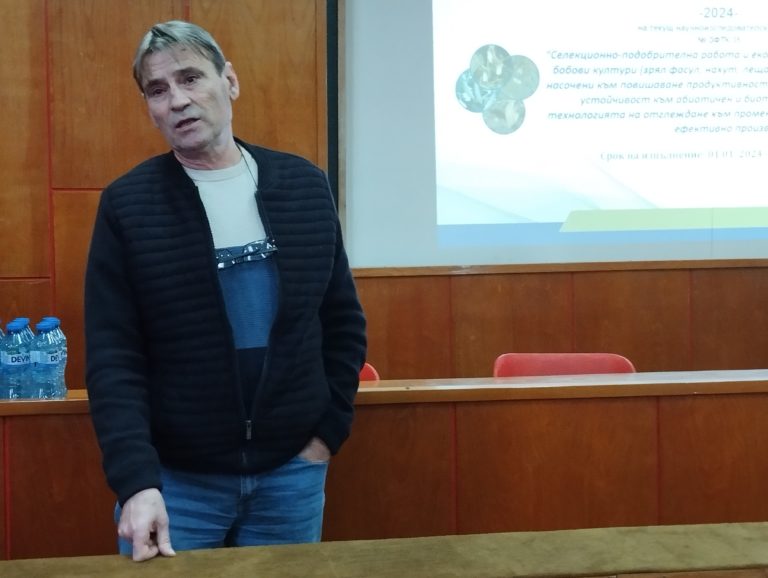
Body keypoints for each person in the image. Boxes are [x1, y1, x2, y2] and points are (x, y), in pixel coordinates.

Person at [84, 20, 367, 562]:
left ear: (229, 81)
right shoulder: (128, 206)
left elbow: (343, 326)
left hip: (292, 474)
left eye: (191, 78)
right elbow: (114, 359)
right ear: (149, 107)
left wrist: (324, 437)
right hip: (174, 485)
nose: (177, 100)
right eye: (158, 90)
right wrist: (136, 482)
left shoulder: (304, 186)